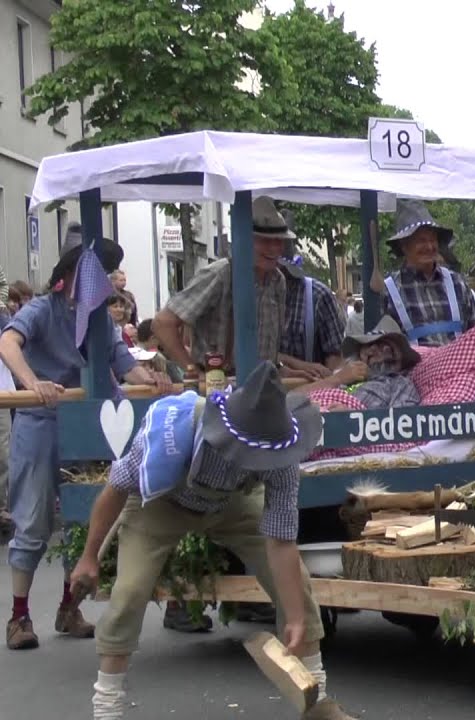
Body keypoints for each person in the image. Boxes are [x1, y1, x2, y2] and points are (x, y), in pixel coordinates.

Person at [71, 362, 354, 719]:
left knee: (297, 585)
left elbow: (280, 540)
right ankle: (108, 705)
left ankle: (317, 701)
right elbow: (115, 489)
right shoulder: (172, 433)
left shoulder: (281, 451)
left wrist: (294, 616)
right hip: (162, 503)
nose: (263, 461)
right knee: (129, 590)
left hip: (233, 503)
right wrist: (89, 557)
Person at [0, 239, 172, 651]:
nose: (103, 282)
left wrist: (154, 380)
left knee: (83, 517)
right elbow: (7, 343)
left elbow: (125, 365)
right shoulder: (41, 310)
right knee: (33, 520)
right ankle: (19, 616)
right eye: (95, 273)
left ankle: (69, 608)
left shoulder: (99, 321)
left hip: (83, 425)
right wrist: (32, 382)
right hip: (40, 424)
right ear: (69, 276)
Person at [151, 196, 292, 378]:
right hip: (219, 383)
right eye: (265, 241)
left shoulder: (278, 281)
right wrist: (193, 372)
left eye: (279, 241)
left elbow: (267, 349)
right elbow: (162, 323)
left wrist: (283, 370)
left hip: (262, 383)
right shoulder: (220, 274)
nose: (274, 248)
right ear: (245, 240)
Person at [372, 199, 475, 347]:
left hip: (459, 362)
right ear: (404, 245)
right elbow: (382, 347)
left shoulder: (457, 283)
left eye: (432, 239)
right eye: (421, 241)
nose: (429, 246)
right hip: (413, 363)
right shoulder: (389, 292)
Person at [295, 314, 422, 408]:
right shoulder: (342, 377)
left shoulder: (400, 385)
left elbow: (403, 426)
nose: (373, 349)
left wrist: (352, 417)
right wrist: (337, 379)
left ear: (401, 363)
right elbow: (291, 400)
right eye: (369, 344)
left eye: (387, 349)